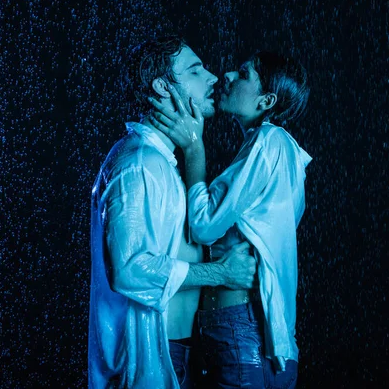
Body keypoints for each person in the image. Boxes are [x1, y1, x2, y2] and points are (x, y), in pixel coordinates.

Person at [88, 36, 257, 389]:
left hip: (174, 353)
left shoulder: (160, 161)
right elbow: (128, 269)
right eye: (195, 70)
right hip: (147, 360)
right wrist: (220, 273)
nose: (213, 77)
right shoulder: (138, 163)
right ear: (163, 86)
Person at [148, 50, 311, 388]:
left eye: (243, 73)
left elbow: (205, 227)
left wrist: (194, 149)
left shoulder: (270, 142)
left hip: (244, 335)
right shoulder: (276, 149)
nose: (228, 76)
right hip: (244, 334)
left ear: (266, 100)